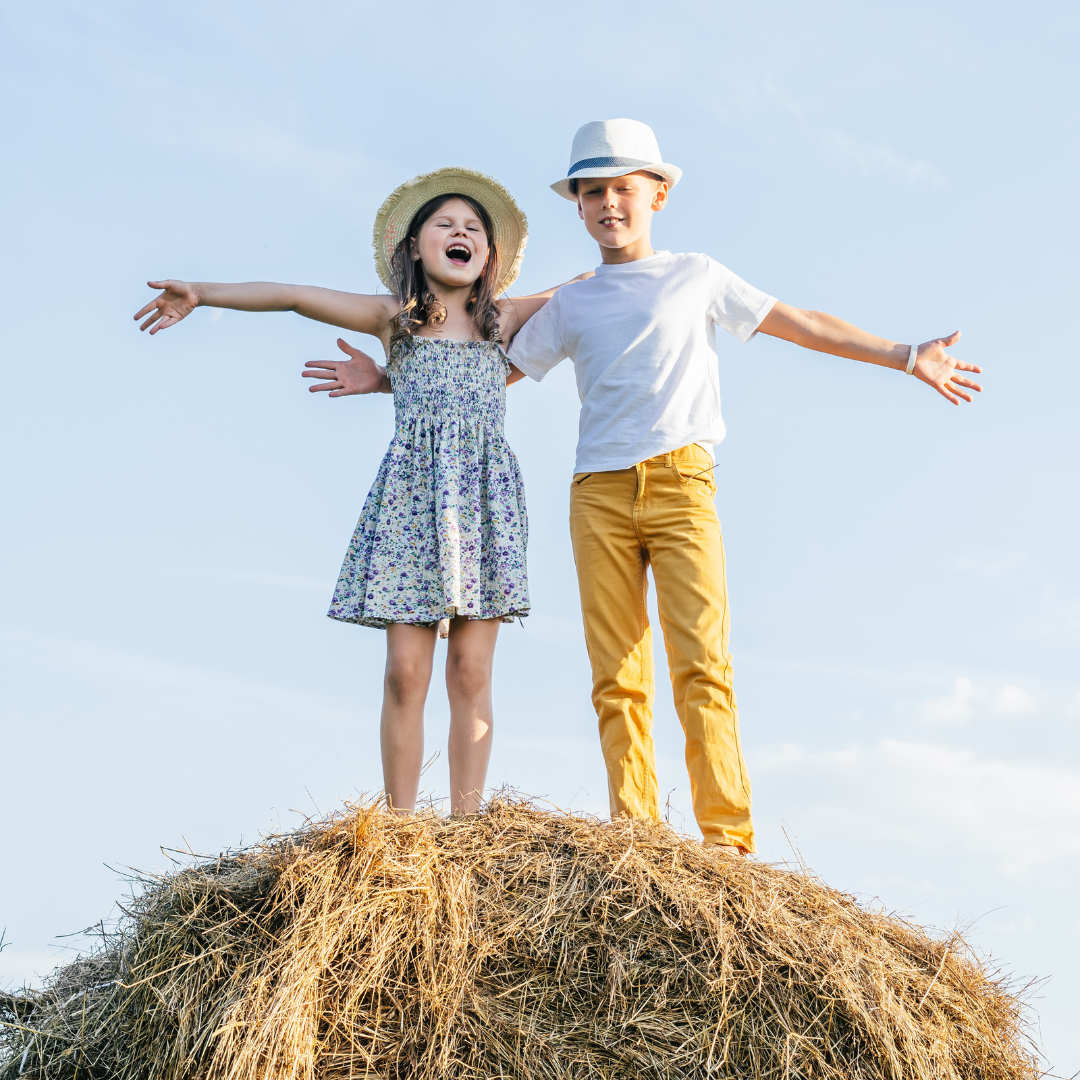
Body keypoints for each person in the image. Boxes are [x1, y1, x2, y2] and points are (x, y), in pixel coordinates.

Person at [507, 119, 983, 855]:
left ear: (657, 194)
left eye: (624, 188)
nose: (609, 203)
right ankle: (635, 839)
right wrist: (385, 379)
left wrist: (905, 355)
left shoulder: (694, 274)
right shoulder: (571, 303)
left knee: (701, 664)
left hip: (681, 485)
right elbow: (488, 372)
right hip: (596, 494)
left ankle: (726, 843)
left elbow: (799, 323)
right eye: (592, 191)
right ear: (576, 204)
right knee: (616, 675)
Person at [133, 167, 576, 815]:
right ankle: (399, 826)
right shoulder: (391, 319)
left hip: (483, 502)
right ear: (415, 248)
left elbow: (593, 286)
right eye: (445, 225)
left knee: (472, 671)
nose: (461, 233)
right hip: (409, 500)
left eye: (473, 228)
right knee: (405, 672)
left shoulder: (504, 319)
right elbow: (290, 295)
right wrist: (202, 291)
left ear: (489, 256)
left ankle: (468, 826)